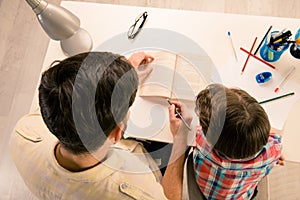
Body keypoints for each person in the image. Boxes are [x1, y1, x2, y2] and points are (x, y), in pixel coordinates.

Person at [9, 51, 191, 199]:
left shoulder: (24, 132)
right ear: (116, 134)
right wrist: (180, 139)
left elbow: (71, 99)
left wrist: (114, 78)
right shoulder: (139, 190)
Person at [189, 83, 284, 200]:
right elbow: (275, 138)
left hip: (206, 190)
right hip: (241, 195)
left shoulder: (200, 141)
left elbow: (196, 130)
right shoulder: (273, 150)